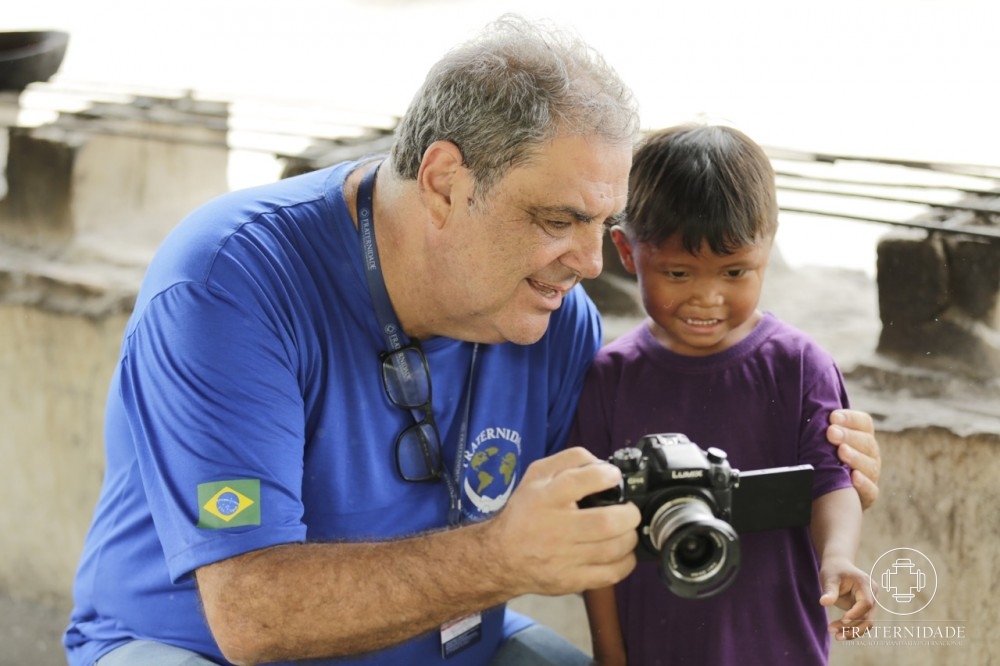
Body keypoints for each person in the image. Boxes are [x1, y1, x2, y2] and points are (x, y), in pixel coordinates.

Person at [63, 16, 882, 666]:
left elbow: (622, 486)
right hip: (193, 649)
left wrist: (809, 461)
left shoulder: (559, 314)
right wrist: (499, 557)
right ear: (447, 184)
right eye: (557, 220)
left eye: (603, 224)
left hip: (453, 646)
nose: (590, 264)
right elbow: (250, 614)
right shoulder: (229, 285)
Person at [574, 123, 877, 666]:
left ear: (768, 248)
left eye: (736, 271)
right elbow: (598, 535)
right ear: (625, 249)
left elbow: (833, 483)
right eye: (678, 271)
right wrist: (611, 654)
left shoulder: (798, 366)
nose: (707, 297)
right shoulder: (609, 379)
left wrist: (838, 557)